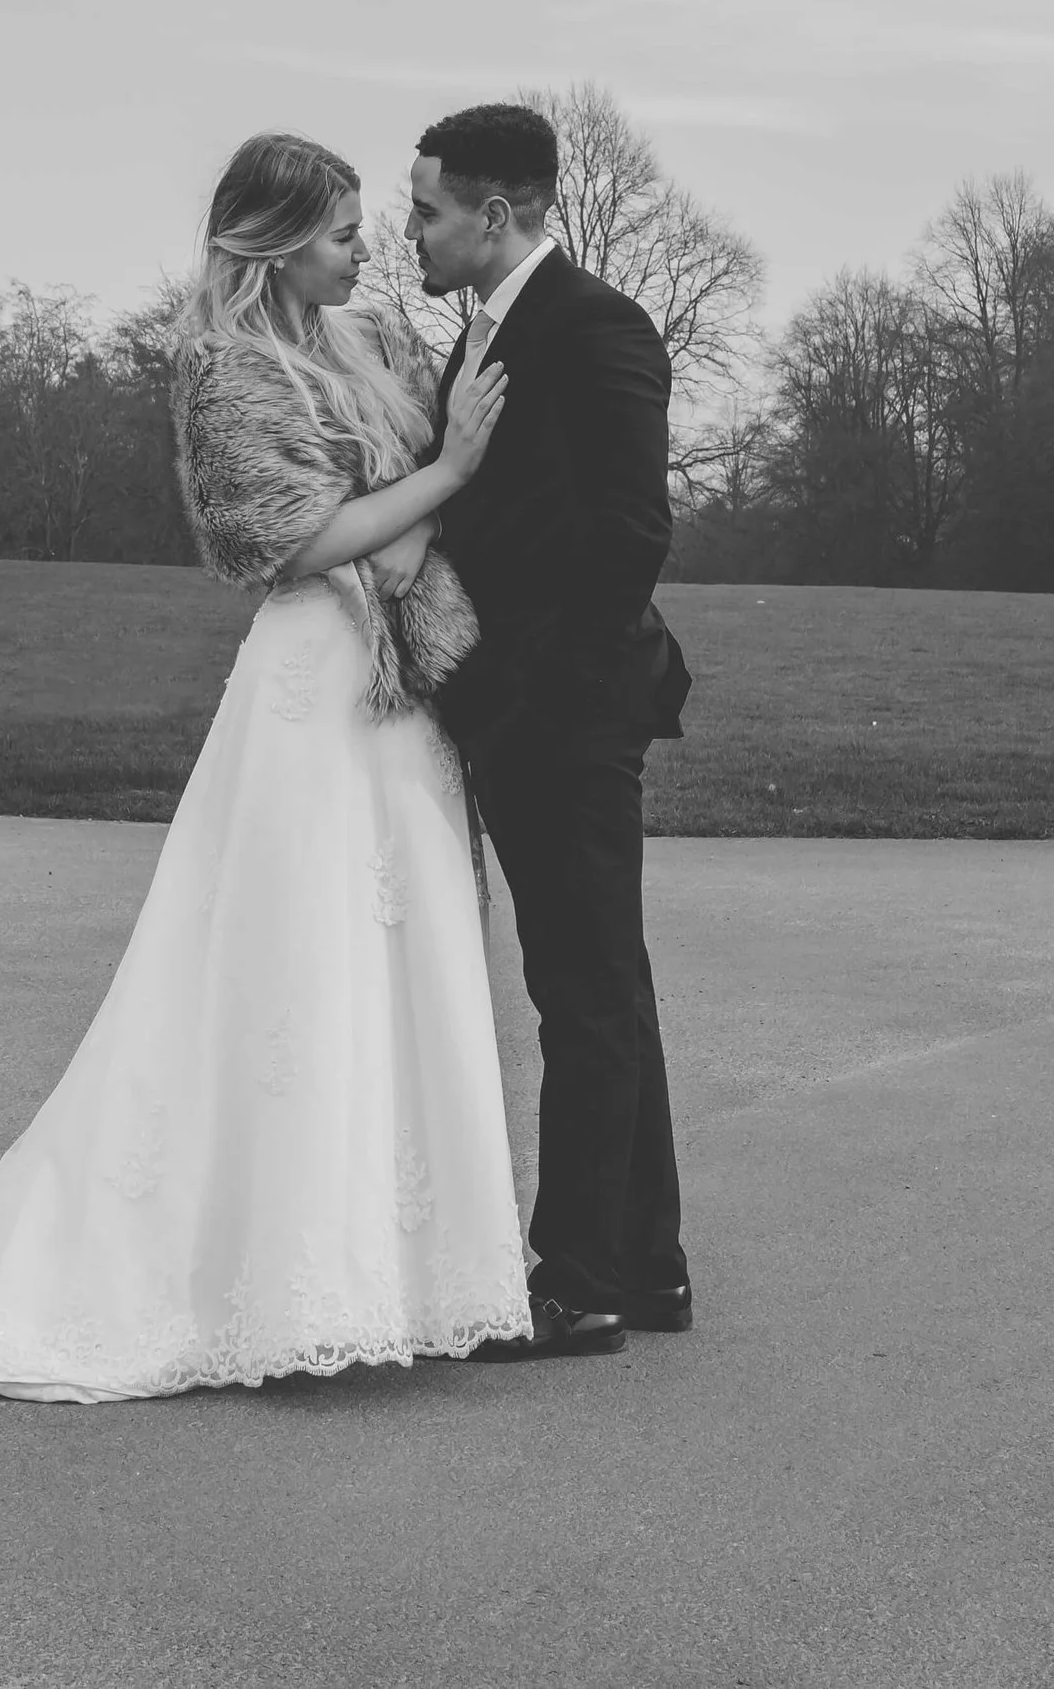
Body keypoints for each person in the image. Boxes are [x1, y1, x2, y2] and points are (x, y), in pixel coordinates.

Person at [0, 131, 531, 1399]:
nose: (363, 247)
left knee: (402, 952)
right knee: (295, 962)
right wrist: (446, 473)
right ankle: (277, 1278)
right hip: (312, 686)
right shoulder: (228, 371)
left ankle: (404, 1275)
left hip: (393, 688)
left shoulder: (371, 344)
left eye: (366, 226)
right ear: (269, 241)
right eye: (336, 232)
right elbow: (296, 539)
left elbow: (399, 520)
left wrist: (430, 490)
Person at [408, 101, 693, 1361]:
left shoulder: (595, 325)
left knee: (581, 993)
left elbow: (633, 532)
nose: (410, 228)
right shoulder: (481, 330)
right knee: (599, 983)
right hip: (525, 706)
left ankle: (574, 1281)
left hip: (569, 714)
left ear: (497, 213)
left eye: (425, 207)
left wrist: (541, 698)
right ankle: (646, 1263)